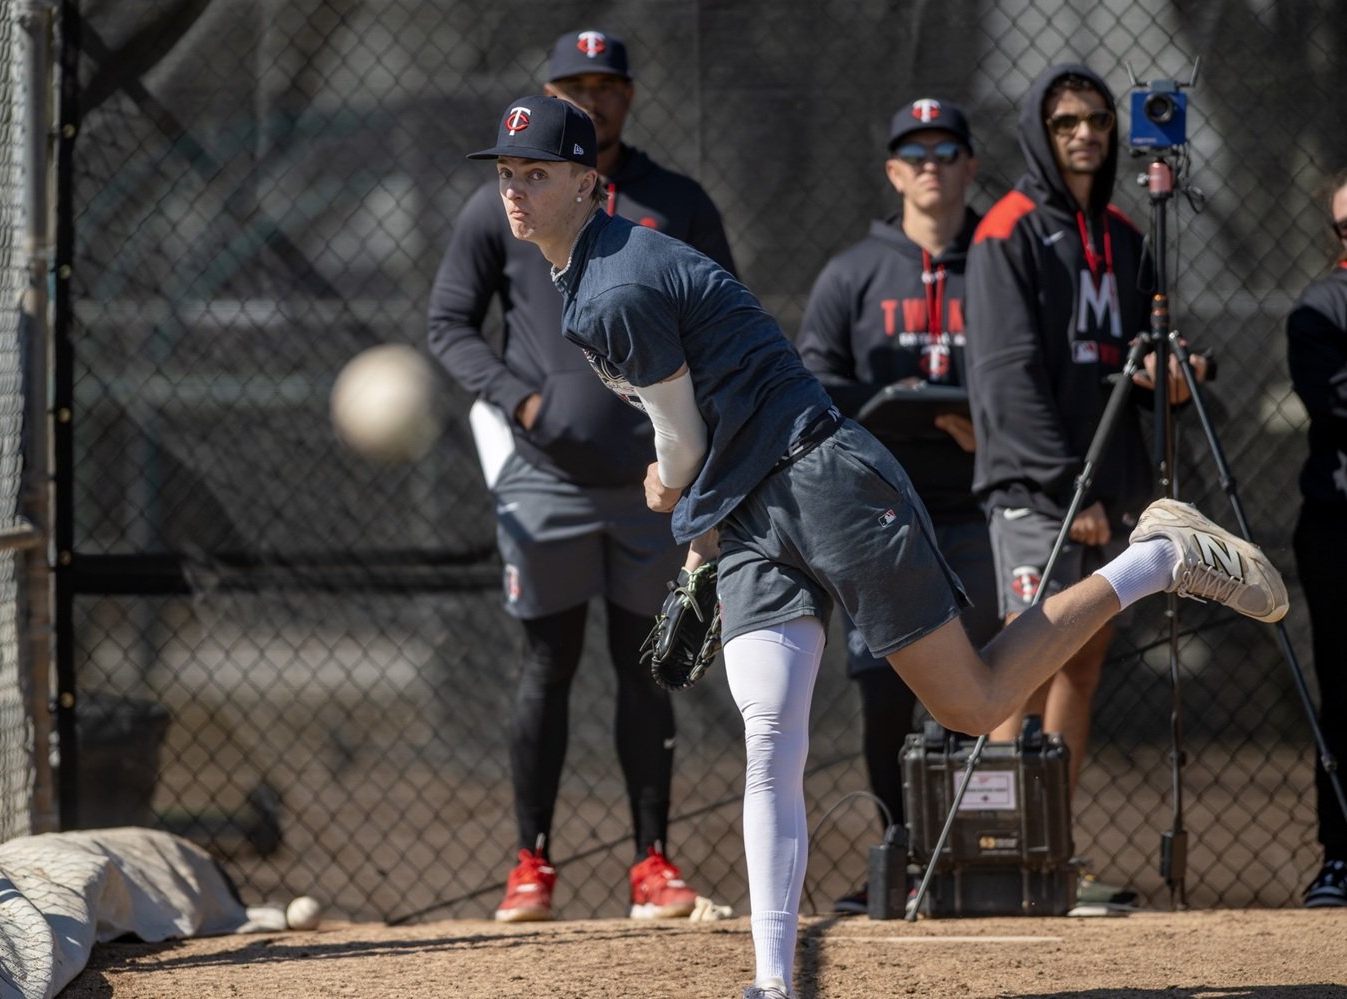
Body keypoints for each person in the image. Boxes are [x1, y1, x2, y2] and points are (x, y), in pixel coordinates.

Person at [464, 94, 1286, 999]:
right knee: (769, 733)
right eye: (507, 175)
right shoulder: (584, 270)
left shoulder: (616, 281)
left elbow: (683, 445)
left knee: (973, 703)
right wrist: (702, 542)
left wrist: (668, 493)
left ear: (589, 181)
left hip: (823, 478)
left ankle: (1156, 559)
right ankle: (773, 983)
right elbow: (708, 434)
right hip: (751, 507)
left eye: (538, 173)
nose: (516, 191)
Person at [426, 29, 734, 923]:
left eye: (607, 85)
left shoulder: (675, 202)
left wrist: (687, 451)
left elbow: (722, 319)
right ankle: (531, 862)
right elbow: (449, 323)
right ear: (549, 92)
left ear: (629, 97)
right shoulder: (507, 203)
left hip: (652, 480)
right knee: (546, 661)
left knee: (648, 665)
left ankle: (653, 865)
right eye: (574, 85)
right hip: (546, 479)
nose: (592, 99)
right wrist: (521, 402)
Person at [962, 64, 1209, 905]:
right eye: (1066, 121)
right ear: (1041, 130)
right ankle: (995, 851)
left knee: (1083, 661)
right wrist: (1067, 491)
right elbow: (1006, 376)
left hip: (1112, 488)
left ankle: (1051, 851)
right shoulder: (1007, 229)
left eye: (1099, 120)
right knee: (1022, 663)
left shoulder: (1125, 233)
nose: (1085, 135)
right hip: (1043, 489)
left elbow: (1133, 354)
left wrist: (1169, 378)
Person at [796, 97, 997, 914]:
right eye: (915, 154)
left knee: (971, 688)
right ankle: (901, 855)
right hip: (879, 512)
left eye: (947, 151)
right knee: (884, 689)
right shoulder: (852, 272)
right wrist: (894, 408)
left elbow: (1035, 372)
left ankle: (968, 859)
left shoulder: (1002, 258)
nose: (931, 166)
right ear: (892, 171)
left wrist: (989, 425)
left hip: (978, 504)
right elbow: (811, 381)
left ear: (970, 165)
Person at [1286, 167, 1347, 908]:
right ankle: (1341, 854)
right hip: (1338, 523)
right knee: (1343, 691)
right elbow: (1334, 398)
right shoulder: (1319, 307)